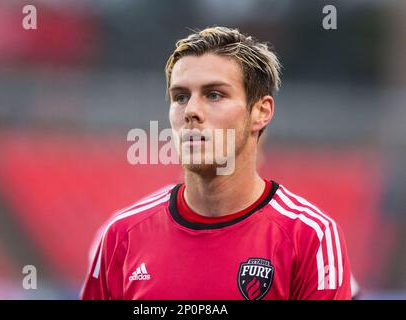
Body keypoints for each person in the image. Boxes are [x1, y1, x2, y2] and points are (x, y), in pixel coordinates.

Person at [81, 26, 352, 300]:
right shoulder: (122, 236)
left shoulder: (310, 238)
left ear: (261, 111)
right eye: (180, 97)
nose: (191, 112)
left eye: (214, 95)